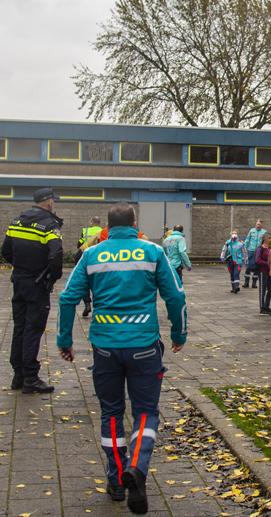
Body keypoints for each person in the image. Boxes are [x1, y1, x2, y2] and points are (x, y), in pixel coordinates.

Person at [56, 202, 187, 513]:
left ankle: (116, 481)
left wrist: (65, 340)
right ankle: (137, 469)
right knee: (146, 413)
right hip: (144, 346)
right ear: (134, 222)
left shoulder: (91, 254)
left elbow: (67, 298)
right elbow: (176, 295)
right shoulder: (151, 252)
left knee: (111, 413)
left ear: (109, 228)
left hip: (105, 348)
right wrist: (179, 334)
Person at [2, 187, 63, 393]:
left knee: (19, 327)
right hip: (37, 284)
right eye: (53, 201)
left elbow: (6, 251)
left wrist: (21, 268)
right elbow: (56, 256)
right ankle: (30, 378)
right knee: (33, 329)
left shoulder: (16, 221)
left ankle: (17, 376)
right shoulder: (49, 225)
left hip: (19, 281)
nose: (54, 203)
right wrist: (50, 278)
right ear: (47, 202)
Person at [76, 216, 102, 317]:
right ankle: (98, 306)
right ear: (99, 222)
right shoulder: (103, 231)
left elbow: (80, 245)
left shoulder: (85, 230)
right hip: (98, 259)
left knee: (84, 282)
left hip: (85, 257)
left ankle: (87, 304)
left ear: (91, 222)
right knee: (97, 283)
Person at [242, 219, 267, 289]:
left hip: (259, 251)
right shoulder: (251, 230)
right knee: (248, 267)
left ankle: (254, 283)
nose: (258, 226)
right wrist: (244, 248)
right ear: (255, 224)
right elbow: (247, 239)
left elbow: (265, 242)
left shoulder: (264, 232)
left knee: (257, 267)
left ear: (262, 225)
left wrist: (264, 250)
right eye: (257, 224)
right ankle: (246, 283)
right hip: (251, 250)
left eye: (259, 224)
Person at [255, 234, 271, 315]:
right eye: (269, 238)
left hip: (270, 272)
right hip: (262, 272)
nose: (270, 239)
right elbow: (257, 260)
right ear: (264, 239)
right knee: (262, 290)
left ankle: (266, 306)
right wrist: (267, 263)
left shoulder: (269, 248)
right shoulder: (260, 248)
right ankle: (262, 308)